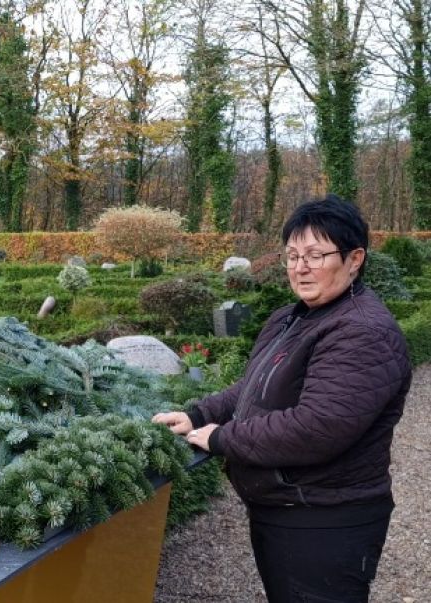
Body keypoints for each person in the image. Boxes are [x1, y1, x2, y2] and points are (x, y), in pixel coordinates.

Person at [153, 195, 411, 603]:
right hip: (287, 509)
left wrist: (222, 438)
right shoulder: (293, 317)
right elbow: (253, 388)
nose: (300, 267)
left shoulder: (362, 333)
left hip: (325, 520)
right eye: (292, 255)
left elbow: (317, 428)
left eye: (315, 254)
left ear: (355, 258)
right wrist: (197, 413)